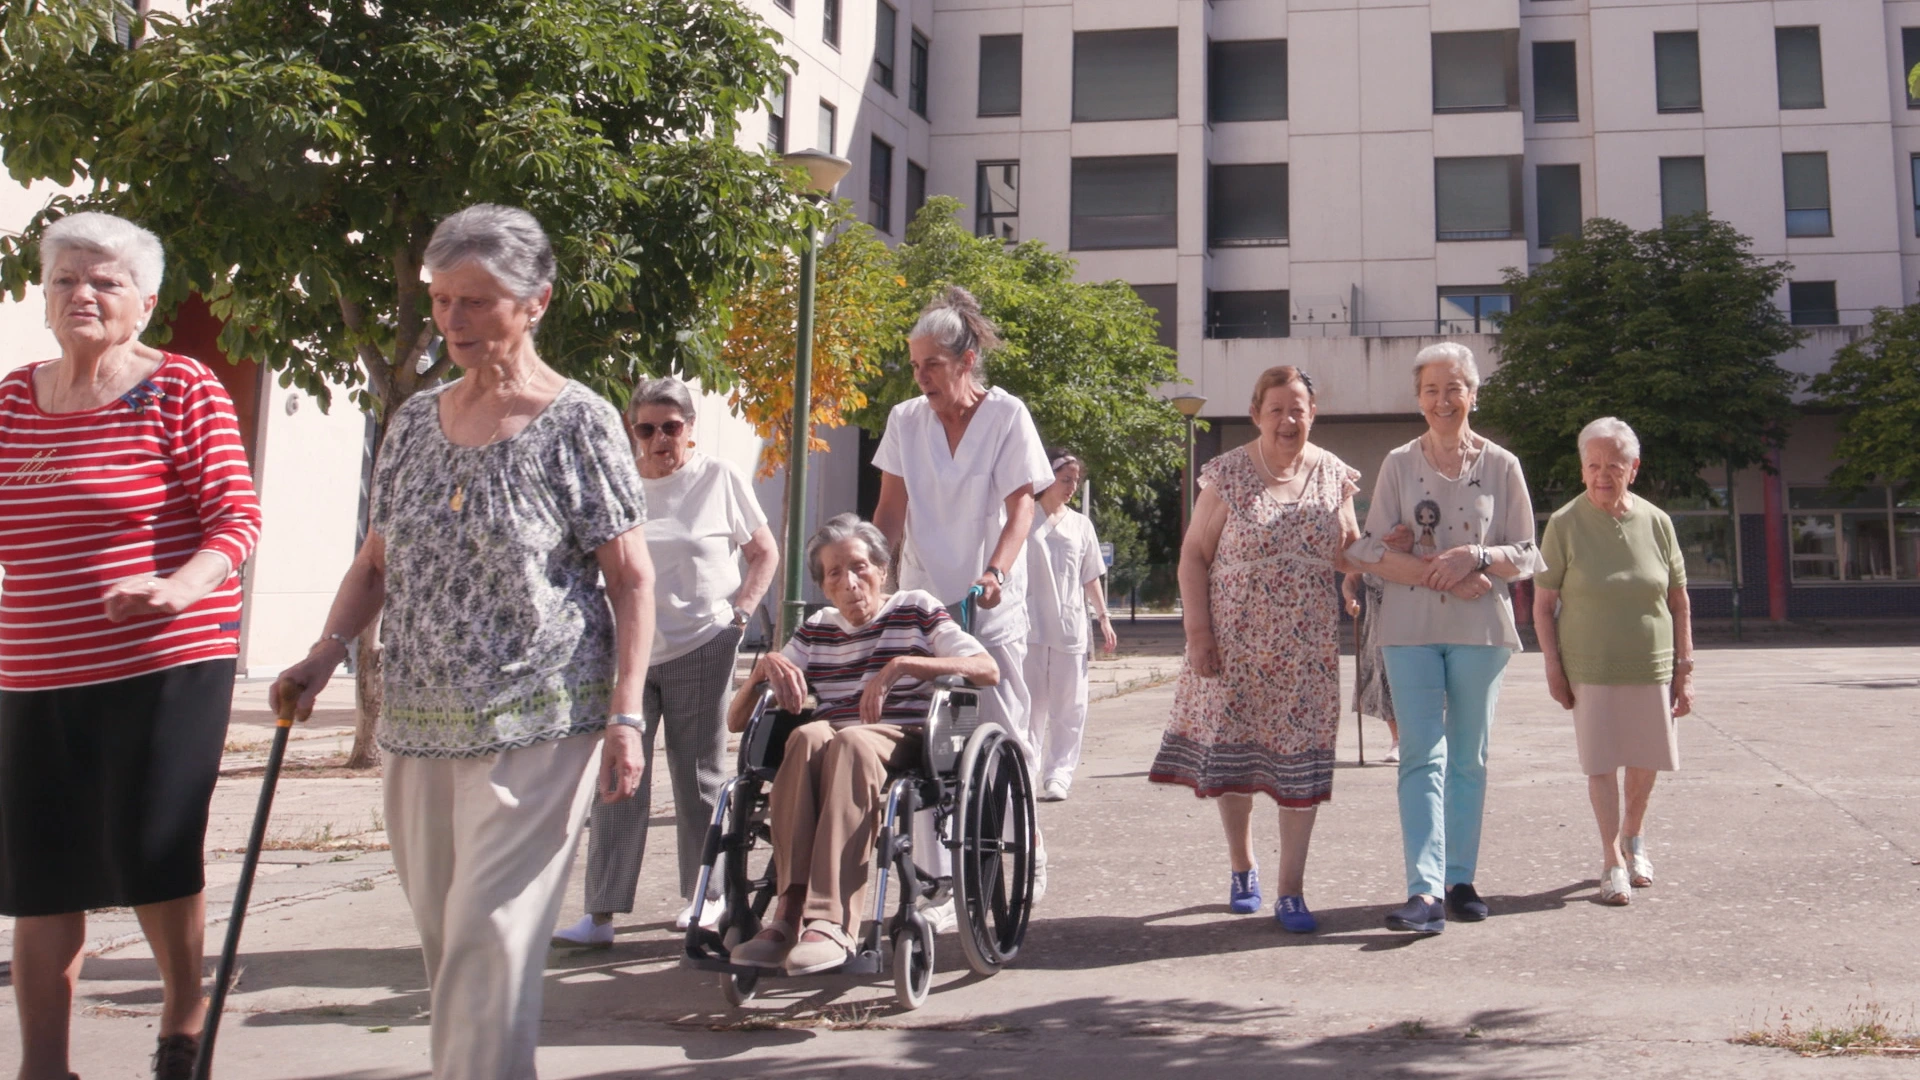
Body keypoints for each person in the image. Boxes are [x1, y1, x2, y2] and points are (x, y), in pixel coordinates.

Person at [273, 204, 654, 1079]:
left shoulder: (580, 423)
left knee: (491, 931)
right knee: (447, 937)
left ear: (536, 304)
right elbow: (377, 562)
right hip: (416, 716)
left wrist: (627, 717)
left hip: (540, 712)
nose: (452, 321)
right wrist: (325, 652)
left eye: (478, 301)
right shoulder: (411, 423)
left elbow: (631, 580)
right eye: (442, 300)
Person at [0, 211, 263, 1080]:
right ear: (44, 296)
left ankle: (183, 1007)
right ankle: (44, 1067)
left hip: (166, 663)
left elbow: (236, 518)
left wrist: (177, 587)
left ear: (144, 303)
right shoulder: (10, 399)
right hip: (34, 670)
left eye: (105, 281)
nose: (82, 293)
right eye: (66, 278)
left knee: (152, 849)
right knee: (40, 871)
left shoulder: (180, 387)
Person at [554, 376, 777, 947]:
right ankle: (600, 913)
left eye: (671, 427)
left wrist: (741, 613)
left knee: (699, 777)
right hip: (626, 651)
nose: (659, 439)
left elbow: (763, 551)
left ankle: (705, 898)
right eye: (646, 428)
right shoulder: (618, 485)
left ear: (690, 429)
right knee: (617, 777)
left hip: (702, 643)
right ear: (632, 432)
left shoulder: (718, 479)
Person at [727, 514, 999, 974]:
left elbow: (986, 669)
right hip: (837, 741)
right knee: (808, 735)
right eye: (835, 574)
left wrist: (902, 665)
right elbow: (736, 722)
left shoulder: (915, 606)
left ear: (882, 568)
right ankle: (788, 914)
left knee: (849, 741)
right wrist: (762, 670)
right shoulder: (817, 628)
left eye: (859, 567)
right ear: (825, 587)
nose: (850, 582)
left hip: (906, 739)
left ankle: (834, 920)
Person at [1148, 366, 1361, 934]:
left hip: (1307, 653)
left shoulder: (1336, 475)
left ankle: (1291, 891)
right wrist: (1198, 634)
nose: (1288, 420)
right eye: (1277, 409)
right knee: (1236, 762)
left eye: (1298, 409)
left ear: (1313, 413)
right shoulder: (1229, 474)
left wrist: (1370, 563)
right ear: (1256, 414)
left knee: (1302, 771)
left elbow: (1347, 550)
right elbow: (1193, 555)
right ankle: (1243, 865)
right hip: (1235, 647)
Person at [1346, 341, 1546, 935]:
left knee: (1468, 758)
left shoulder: (1502, 464)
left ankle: (1460, 879)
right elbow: (1369, 549)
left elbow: (1529, 553)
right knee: (1419, 755)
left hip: (1480, 630)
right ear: (1418, 398)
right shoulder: (1398, 462)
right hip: (1408, 629)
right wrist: (1412, 554)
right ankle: (1423, 890)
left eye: (1453, 387)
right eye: (1431, 389)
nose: (1442, 400)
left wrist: (1477, 558)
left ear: (1473, 394)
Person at [871, 286, 1054, 888]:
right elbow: (890, 512)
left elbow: (1021, 506)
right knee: (929, 741)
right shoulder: (905, 420)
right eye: (915, 364)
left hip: (990, 599)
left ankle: (1021, 847)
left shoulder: (1007, 416)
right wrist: (871, 574)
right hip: (927, 603)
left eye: (933, 365)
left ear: (966, 360)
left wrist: (996, 571)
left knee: (1001, 726)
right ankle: (935, 875)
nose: (921, 376)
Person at [1533, 417, 1695, 907]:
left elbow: (1679, 600)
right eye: (1593, 466)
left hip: (1651, 663)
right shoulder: (1563, 524)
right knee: (1601, 762)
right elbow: (1543, 605)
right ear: (1582, 470)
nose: (1603, 475)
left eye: (1614, 466)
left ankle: (1634, 837)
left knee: (1645, 759)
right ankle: (1611, 860)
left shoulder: (1658, 522)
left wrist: (1685, 670)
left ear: (1634, 468)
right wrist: (1553, 667)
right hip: (1590, 666)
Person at [1024, 449, 1117, 802]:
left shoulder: (1081, 524)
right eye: (1066, 479)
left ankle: (1059, 773)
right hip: (1029, 626)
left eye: (1076, 481)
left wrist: (1103, 617)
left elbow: (1089, 575)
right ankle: (1026, 770)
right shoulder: (1023, 516)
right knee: (1030, 707)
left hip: (1069, 627)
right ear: (1047, 477)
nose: (1071, 487)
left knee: (1070, 707)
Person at [1343, 572, 1401, 763]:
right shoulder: (1367, 545)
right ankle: (1398, 740)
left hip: (1415, 621)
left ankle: (1425, 738)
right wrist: (1350, 598)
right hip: (1378, 625)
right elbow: (1350, 579)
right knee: (1383, 678)